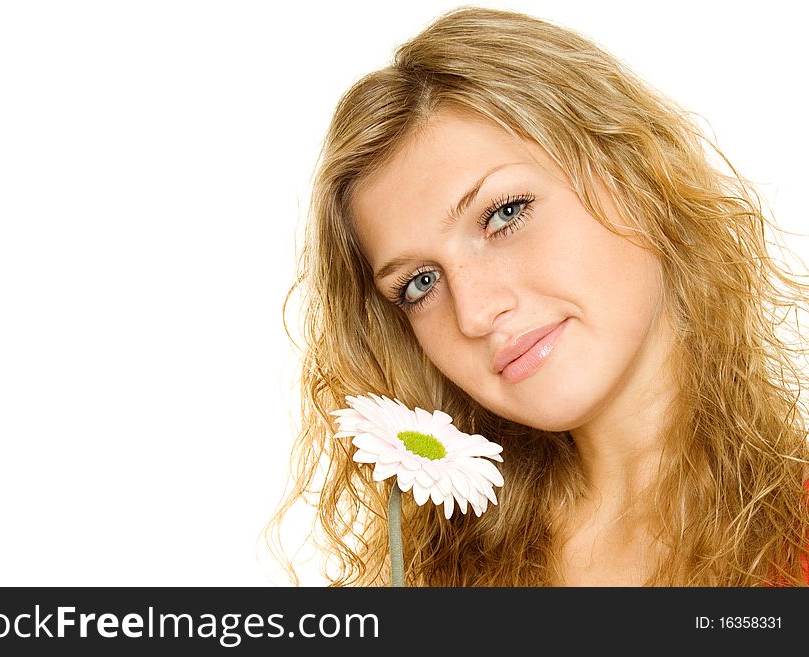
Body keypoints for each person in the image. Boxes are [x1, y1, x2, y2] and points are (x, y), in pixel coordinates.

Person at [266, 6, 809, 586]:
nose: (474, 314)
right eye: (420, 284)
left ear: (634, 173)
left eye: (504, 214)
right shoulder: (450, 580)